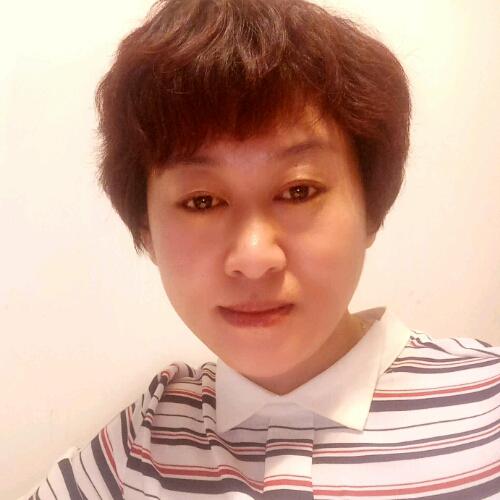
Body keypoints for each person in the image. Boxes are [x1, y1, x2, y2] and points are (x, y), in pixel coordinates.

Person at [22, 0, 500, 498]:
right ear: (147, 232)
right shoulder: (141, 442)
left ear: (370, 209)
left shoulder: (487, 403)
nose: (253, 258)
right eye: (202, 201)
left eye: (298, 191)